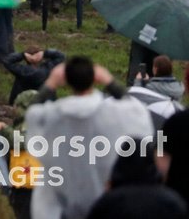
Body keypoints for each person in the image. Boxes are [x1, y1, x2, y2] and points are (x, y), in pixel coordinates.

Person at [25, 56, 153, 219]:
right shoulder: (114, 114)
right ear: (95, 78)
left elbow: (32, 114)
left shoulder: (54, 117)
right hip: (107, 206)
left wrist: (51, 83)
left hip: (66, 209)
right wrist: (109, 81)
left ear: (66, 80)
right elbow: (137, 111)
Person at [1, 46, 66, 103]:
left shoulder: (21, 70)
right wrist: (45, 53)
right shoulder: (48, 68)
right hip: (46, 104)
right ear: (41, 57)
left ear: (26, 59)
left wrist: (22, 55)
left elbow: (7, 60)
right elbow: (61, 56)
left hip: (22, 104)